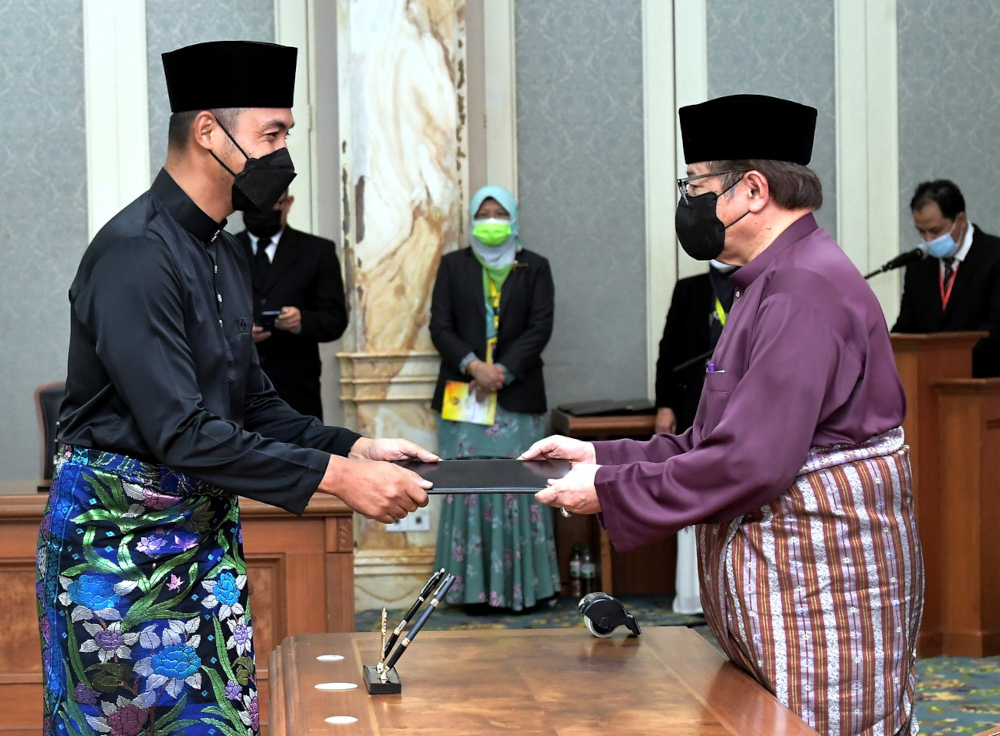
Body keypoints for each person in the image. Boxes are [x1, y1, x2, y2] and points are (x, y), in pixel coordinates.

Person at [35, 41, 436, 736]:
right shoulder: (135, 252)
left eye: (287, 134)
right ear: (208, 132)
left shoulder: (221, 251)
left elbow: (251, 405)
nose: (283, 155)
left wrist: (358, 446)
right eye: (271, 135)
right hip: (115, 561)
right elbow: (180, 431)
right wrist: (338, 477)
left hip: (198, 545)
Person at [525, 94, 924, 735]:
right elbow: (713, 439)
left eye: (696, 186)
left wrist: (608, 493)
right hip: (792, 588)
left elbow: (751, 461)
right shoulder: (772, 280)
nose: (689, 204)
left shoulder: (802, 290)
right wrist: (600, 456)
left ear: (753, 190)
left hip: (818, 593)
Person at [430, 185, 560, 613]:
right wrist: (473, 366)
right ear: (472, 219)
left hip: (517, 397)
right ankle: (468, 591)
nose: (490, 220)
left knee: (518, 488)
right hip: (464, 397)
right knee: (466, 487)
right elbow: (440, 326)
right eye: (482, 212)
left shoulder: (535, 267)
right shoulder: (453, 266)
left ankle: (522, 590)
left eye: (498, 212)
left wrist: (502, 370)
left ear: (513, 219)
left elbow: (540, 327)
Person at [654, 259, 738, 615]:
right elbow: (668, 352)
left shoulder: (755, 283)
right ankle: (692, 595)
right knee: (692, 491)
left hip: (741, 405)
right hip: (694, 407)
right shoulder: (688, 290)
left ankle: (733, 593)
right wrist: (665, 404)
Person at [236, 190, 348, 420]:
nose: (260, 214)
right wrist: (238, 332)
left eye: (269, 205)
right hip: (238, 387)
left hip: (296, 391)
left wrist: (301, 321)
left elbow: (335, 320)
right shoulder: (225, 249)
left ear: (287, 203)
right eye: (252, 206)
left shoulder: (317, 251)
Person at [892, 179, 1000, 376]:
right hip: (928, 383)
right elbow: (907, 327)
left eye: (935, 231)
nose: (928, 240)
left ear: (960, 220)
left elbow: (996, 328)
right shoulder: (919, 265)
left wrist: (945, 359)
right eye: (921, 232)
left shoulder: (994, 256)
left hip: (983, 385)